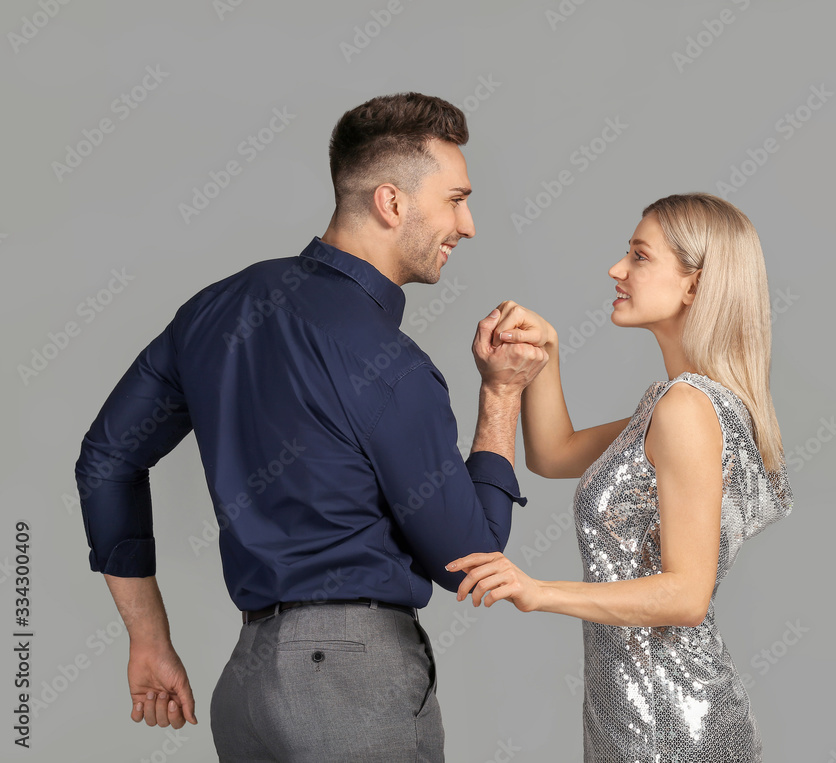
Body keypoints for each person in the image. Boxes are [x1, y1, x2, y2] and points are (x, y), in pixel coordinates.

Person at [74, 92, 547, 762]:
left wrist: (148, 639)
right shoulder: (391, 365)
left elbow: (105, 459)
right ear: (391, 202)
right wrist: (501, 395)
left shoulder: (214, 310)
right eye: (456, 199)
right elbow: (468, 558)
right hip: (354, 686)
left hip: (245, 685)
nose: (466, 225)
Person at [448, 192, 795, 761]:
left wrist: (538, 591)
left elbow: (686, 594)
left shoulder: (688, 409)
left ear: (694, 284)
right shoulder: (671, 404)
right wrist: (547, 353)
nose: (617, 268)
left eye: (639, 256)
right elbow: (553, 455)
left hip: (672, 721)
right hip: (632, 710)